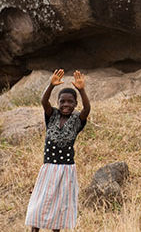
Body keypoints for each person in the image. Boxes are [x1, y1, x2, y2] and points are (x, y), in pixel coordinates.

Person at [25, 69, 90, 232]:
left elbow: (87, 110)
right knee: (40, 202)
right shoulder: (51, 115)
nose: (66, 105)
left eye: (70, 102)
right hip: (48, 168)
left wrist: (81, 90)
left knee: (60, 204)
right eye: (62, 101)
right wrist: (50, 85)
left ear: (75, 104)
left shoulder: (76, 120)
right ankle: (35, 229)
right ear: (58, 102)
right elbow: (44, 102)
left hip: (66, 169)